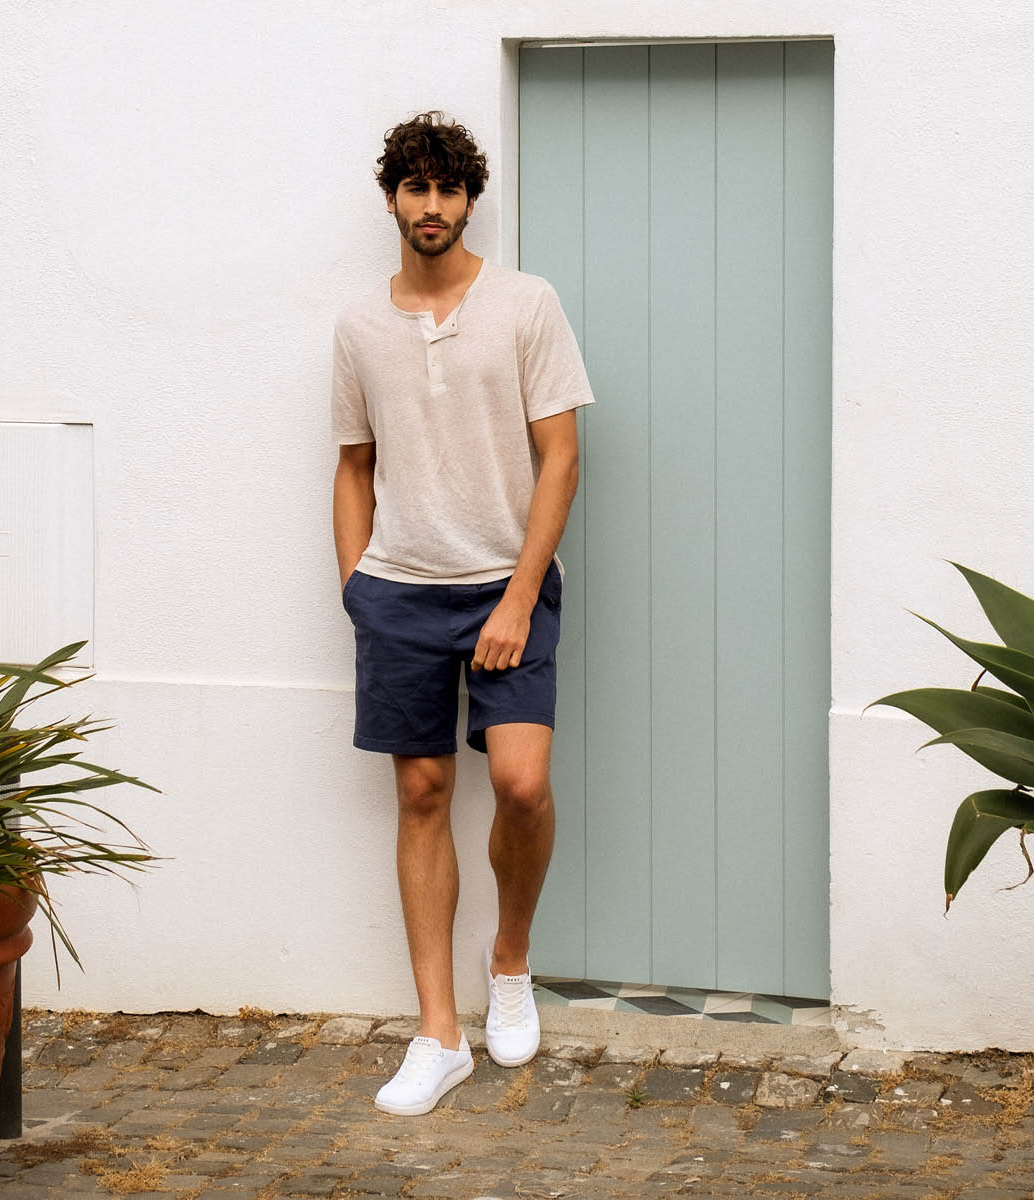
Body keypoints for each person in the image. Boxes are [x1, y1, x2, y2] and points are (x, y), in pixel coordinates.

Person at [331, 111, 594, 1116]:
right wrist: (357, 587)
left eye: (448, 188)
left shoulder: (526, 304)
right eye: (416, 188)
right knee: (422, 794)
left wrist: (520, 597)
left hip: (505, 584)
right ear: (392, 199)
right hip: (399, 591)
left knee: (521, 786)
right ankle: (438, 1034)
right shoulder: (360, 326)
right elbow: (352, 465)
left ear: (470, 199)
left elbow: (561, 458)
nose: (432, 205)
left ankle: (511, 961)